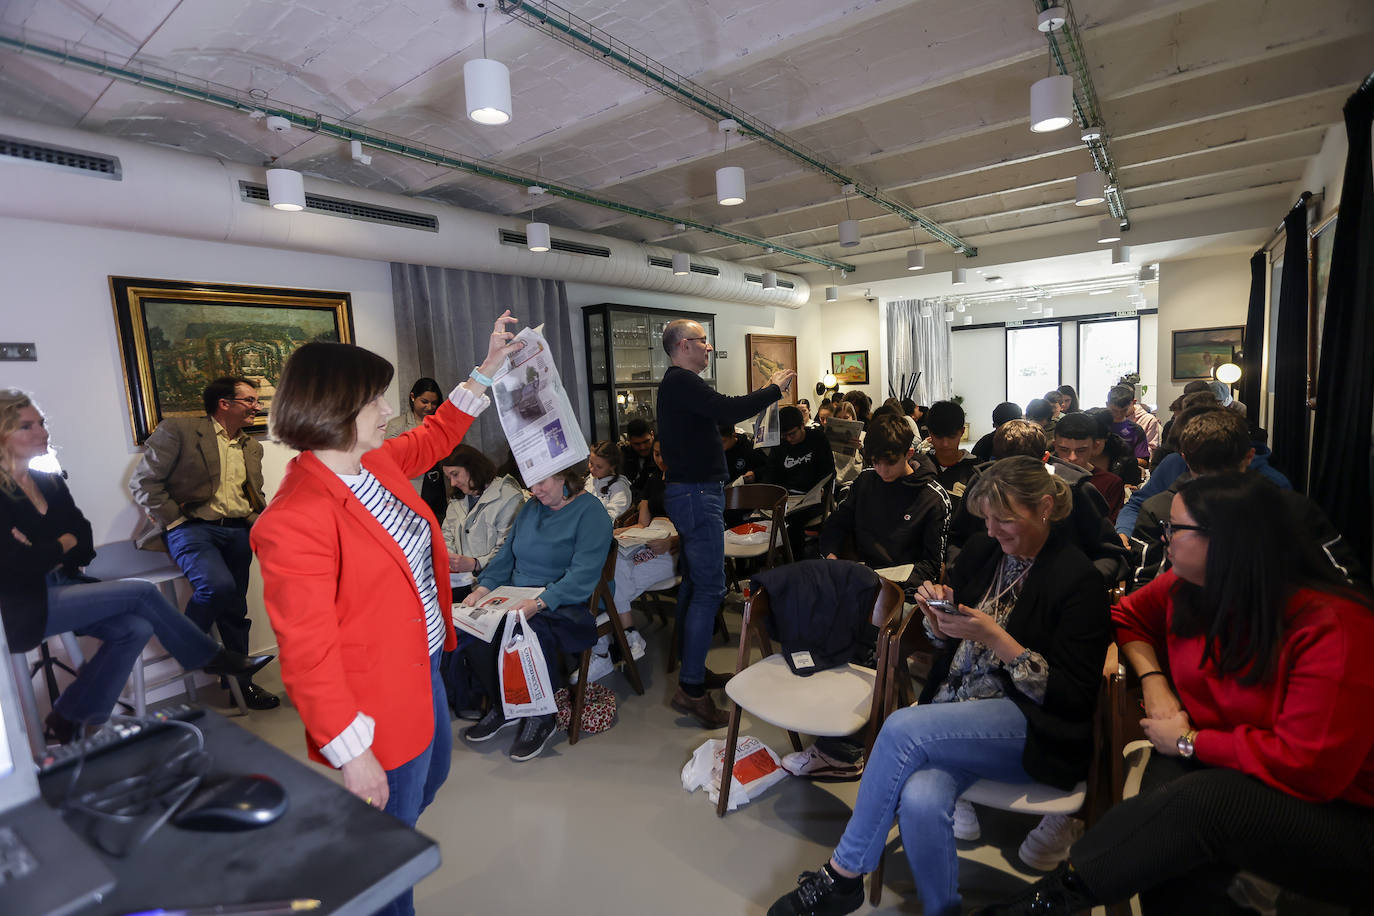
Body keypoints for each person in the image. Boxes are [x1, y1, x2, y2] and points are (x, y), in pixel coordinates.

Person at [975, 473, 1374, 915]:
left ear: (1226, 540)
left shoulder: (1332, 627)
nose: (1163, 538)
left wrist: (1189, 742)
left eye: (1174, 529)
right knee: (1163, 847)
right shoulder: (1191, 587)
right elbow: (1127, 617)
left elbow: (1308, 767)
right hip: (1222, 757)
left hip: (1337, 810)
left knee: (1196, 806)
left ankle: (1048, 901)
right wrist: (1155, 682)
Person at [250, 312, 521, 916]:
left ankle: (359, 855)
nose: (388, 410)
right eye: (376, 399)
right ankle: (367, 878)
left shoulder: (371, 464)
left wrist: (490, 366)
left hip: (422, 661)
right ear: (340, 409)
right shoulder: (294, 518)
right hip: (372, 692)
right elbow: (307, 654)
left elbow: (437, 434)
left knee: (428, 783)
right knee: (392, 844)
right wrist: (354, 753)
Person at [767, 456, 1110, 916]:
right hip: (962, 711)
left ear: (1045, 507)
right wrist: (937, 618)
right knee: (920, 796)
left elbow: (1074, 696)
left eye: (1003, 519)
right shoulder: (988, 554)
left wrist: (997, 639)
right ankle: (941, 909)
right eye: (986, 519)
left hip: (1031, 726)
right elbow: (950, 641)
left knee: (903, 727)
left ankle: (843, 874)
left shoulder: (1078, 580)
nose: (991, 531)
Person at [0, 390, 271, 743]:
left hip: (66, 584)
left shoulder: (48, 481)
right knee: (141, 593)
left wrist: (53, 547)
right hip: (19, 603)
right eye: (27, 426)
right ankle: (211, 657)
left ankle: (69, 718)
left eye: (42, 423)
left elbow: (83, 541)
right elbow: (15, 566)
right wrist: (58, 544)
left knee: (135, 627)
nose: (42, 432)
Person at [655, 318, 793, 728]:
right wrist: (773, 390)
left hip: (696, 493)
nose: (709, 348)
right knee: (710, 587)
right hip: (697, 495)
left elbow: (720, 410)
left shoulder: (680, 384)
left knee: (699, 584)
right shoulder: (681, 381)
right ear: (683, 345)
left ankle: (691, 674)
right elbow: (728, 408)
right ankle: (692, 690)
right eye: (703, 341)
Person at [129, 376, 278, 709]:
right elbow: (144, 483)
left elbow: (253, 496)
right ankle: (183, 641)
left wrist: (266, 526)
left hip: (238, 531)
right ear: (224, 404)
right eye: (250, 401)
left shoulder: (252, 446)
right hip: (193, 527)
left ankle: (242, 684)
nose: (257, 407)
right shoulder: (179, 431)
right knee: (216, 586)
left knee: (236, 610)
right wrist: (177, 521)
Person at [458, 460, 612, 758]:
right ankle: (505, 704)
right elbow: (505, 558)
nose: (534, 489)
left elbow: (583, 575)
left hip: (563, 601)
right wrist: (482, 590)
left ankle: (542, 716)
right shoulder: (531, 508)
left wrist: (540, 602)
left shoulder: (591, 513)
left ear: (565, 477)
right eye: (531, 482)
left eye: (542, 482)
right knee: (474, 632)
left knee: (527, 633)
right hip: (517, 596)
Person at [1127, 408, 1359, 591]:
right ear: (1249, 457)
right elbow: (1345, 580)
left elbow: (1141, 588)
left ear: (1185, 459)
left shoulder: (1159, 508)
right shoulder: (1294, 507)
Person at [439, 445, 525, 587]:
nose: (453, 483)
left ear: (473, 467)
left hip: (498, 583)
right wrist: (452, 559)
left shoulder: (508, 497)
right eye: (449, 477)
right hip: (462, 583)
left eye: (455, 474)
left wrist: (476, 563)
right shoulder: (457, 498)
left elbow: (508, 549)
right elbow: (446, 535)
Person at [384, 377, 449, 522]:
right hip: (413, 485)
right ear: (413, 397)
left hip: (439, 484)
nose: (429, 407)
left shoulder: (440, 424)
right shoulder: (397, 425)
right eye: (424, 402)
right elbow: (388, 463)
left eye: (434, 403)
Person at [1053, 412, 1125, 521]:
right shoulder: (1043, 477)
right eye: (1064, 450)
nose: (1072, 458)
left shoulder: (1110, 483)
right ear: (1055, 446)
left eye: (1081, 450)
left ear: (1095, 447)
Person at [921, 400, 979, 512]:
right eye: (938, 437)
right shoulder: (921, 466)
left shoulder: (976, 471)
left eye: (952, 436)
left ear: (962, 432)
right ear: (929, 433)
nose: (945, 444)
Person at [585, 440, 633, 521]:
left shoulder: (619, 487)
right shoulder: (588, 480)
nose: (592, 469)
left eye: (599, 467)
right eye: (591, 463)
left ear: (612, 466)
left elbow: (613, 516)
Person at [1105, 385, 1151, 464]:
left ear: (1131, 405)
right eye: (1114, 411)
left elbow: (1144, 461)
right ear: (1107, 405)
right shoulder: (1099, 425)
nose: (1119, 415)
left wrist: (1124, 462)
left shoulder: (1135, 430)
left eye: (1124, 411)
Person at [619, 418, 658, 501]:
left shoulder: (660, 456)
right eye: (637, 444)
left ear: (652, 435)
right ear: (629, 440)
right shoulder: (623, 456)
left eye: (646, 442)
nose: (642, 447)